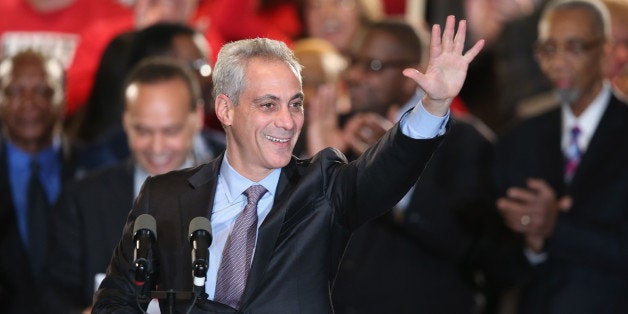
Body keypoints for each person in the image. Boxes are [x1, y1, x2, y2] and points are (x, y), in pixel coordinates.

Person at [92, 15, 484, 313]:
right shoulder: (165, 196)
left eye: (295, 104)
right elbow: (118, 297)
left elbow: (384, 173)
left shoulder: (322, 189)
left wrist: (433, 105)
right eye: (268, 105)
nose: (288, 120)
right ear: (226, 108)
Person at [328, 19, 518, 314]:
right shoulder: (333, 131)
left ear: (410, 77)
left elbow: (473, 245)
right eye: (353, 62)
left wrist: (392, 169)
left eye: (373, 65)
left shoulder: (465, 141)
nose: (354, 75)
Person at [45, 56, 225, 313]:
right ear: (126, 122)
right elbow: (55, 299)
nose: (157, 146)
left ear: (196, 117)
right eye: (143, 131)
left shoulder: (234, 189)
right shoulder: (83, 200)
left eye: (170, 131)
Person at [494, 0, 628, 313]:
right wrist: (532, 246)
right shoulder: (519, 137)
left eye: (574, 48)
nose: (558, 63)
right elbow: (493, 257)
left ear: (607, 52)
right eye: (548, 49)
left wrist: (556, 227)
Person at [0, 50, 82, 313]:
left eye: (43, 91)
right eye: (15, 91)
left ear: (64, 99)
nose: (29, 101)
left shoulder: (95, 167)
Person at [73, 23, 216, 170]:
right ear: (158, 71)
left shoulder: (229, 155)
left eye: (171, 130)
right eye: (200, 66)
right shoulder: (101, 165)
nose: (211, 76)